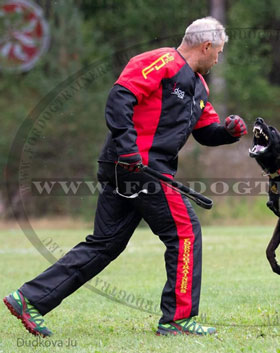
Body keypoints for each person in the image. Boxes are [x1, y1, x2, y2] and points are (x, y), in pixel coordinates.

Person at [3, 17, 247, 337]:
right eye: (218, 51)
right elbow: (120, 98)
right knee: (185, 233)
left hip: (141, 169)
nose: (218, 58)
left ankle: (29, 298)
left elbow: (205, 132)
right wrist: (129, 151)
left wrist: (228, 133)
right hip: (138, 167)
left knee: (105, 244)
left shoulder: (199, 87)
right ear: (206, 46)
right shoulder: (160, 62)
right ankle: (177, 319)